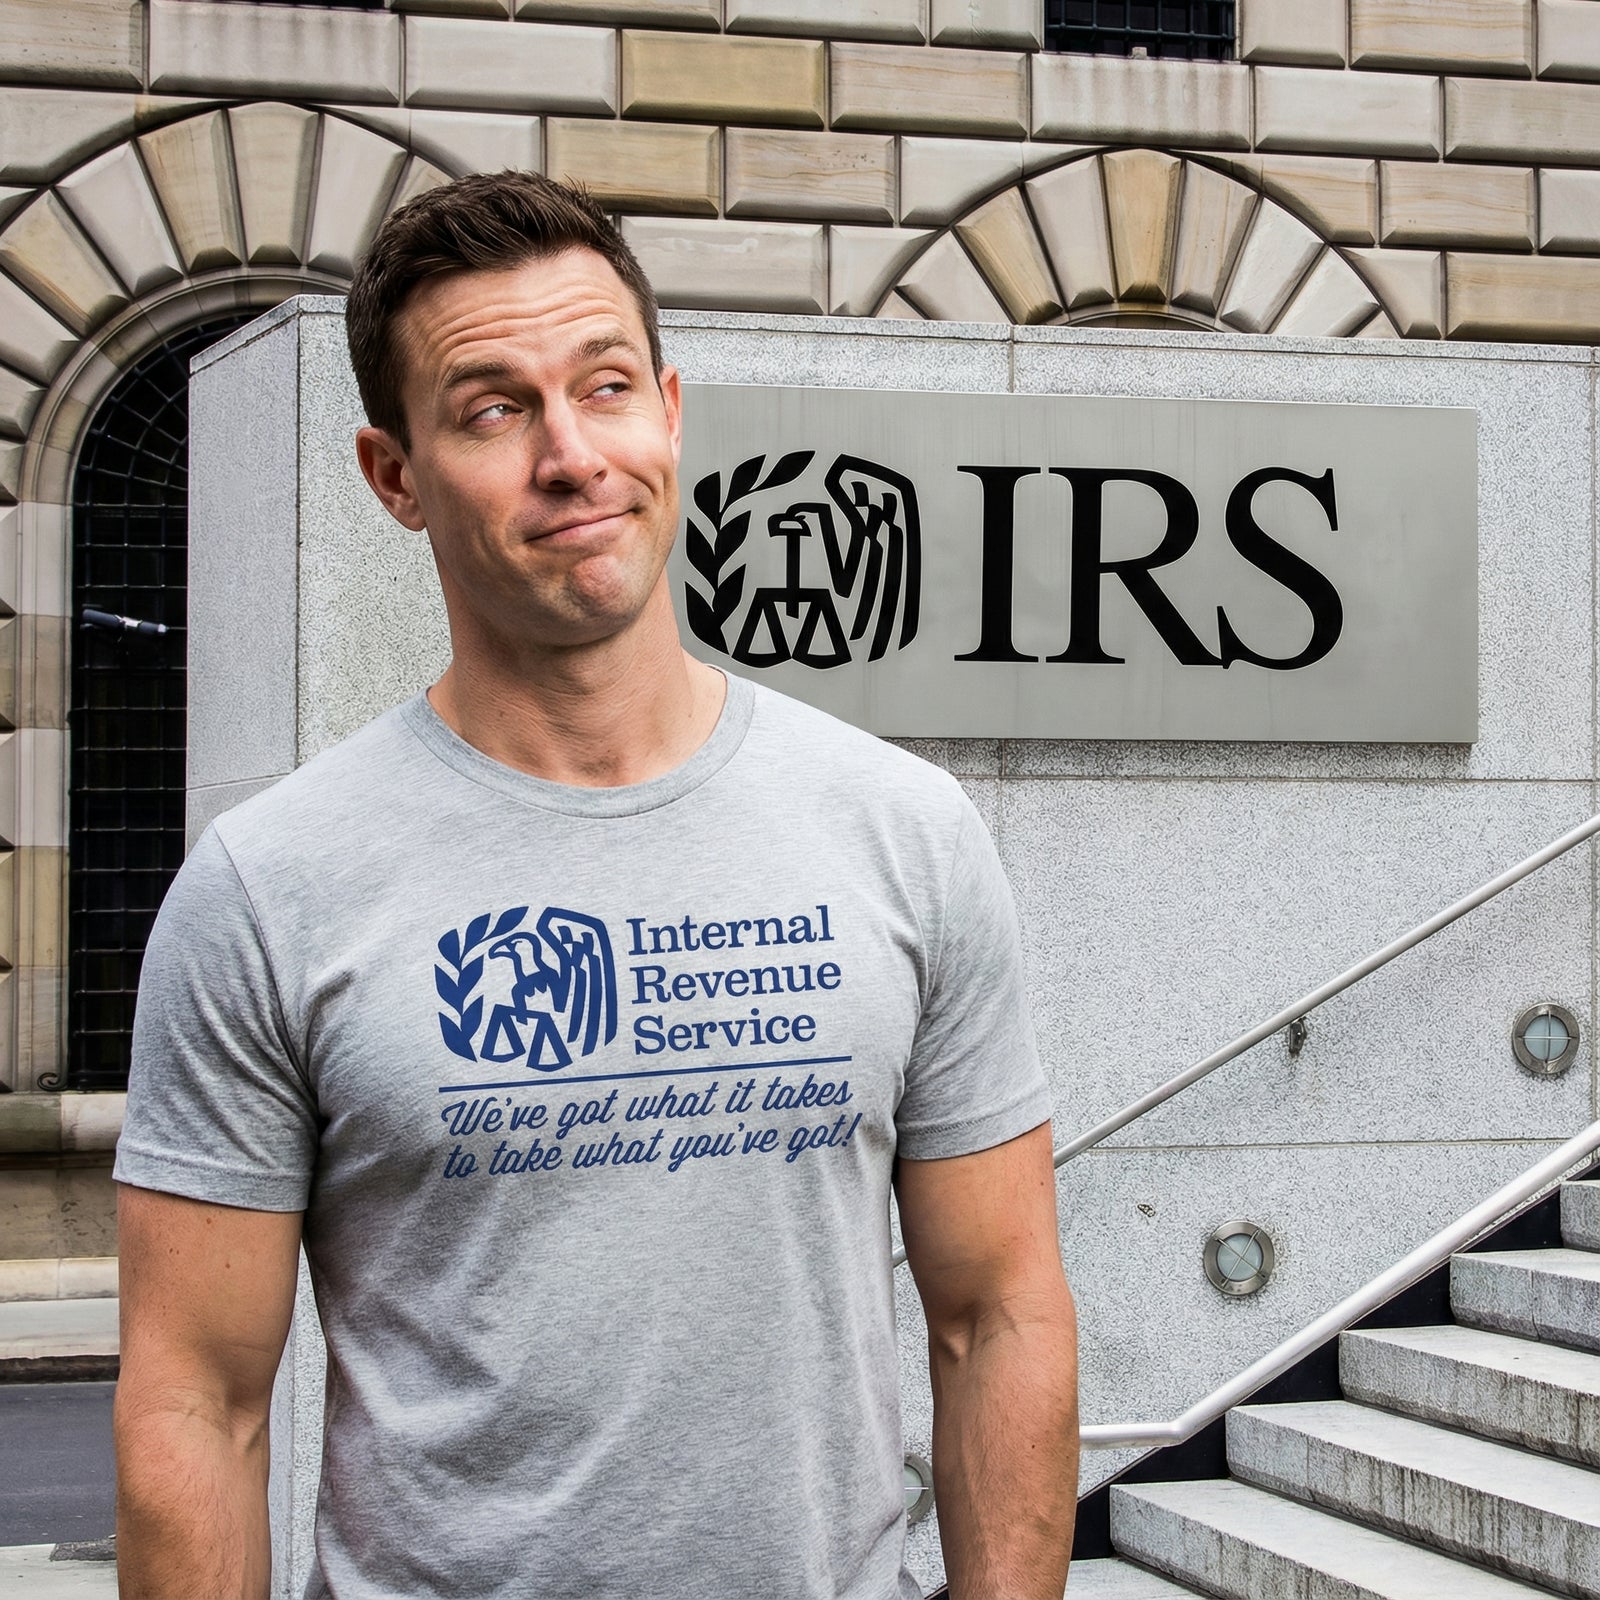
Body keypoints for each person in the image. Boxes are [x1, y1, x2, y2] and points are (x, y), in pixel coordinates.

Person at [112, 171, 1079, 1600]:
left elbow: (1000, 1315)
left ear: (669, 415)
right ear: (396, 476)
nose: (573, 453)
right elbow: (199, 1401)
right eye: (494, 408)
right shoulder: (271, 889)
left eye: (606, 387)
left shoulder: (903, 830)